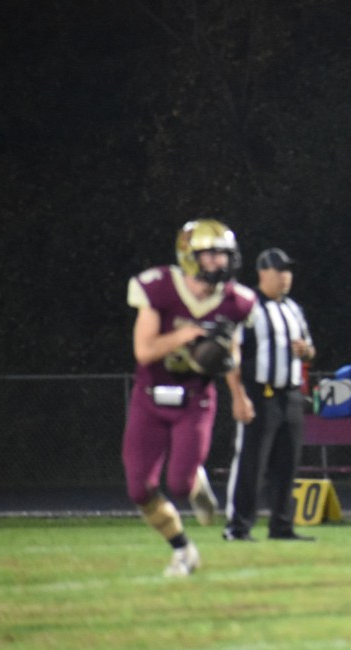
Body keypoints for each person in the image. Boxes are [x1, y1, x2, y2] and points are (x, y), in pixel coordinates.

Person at [122, 219, 256, 577]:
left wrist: (238, 395)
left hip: (195, 398)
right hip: (150, 396)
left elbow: (232, 354)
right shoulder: (159, 287)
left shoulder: (238, 301)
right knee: (139, 489)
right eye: (210, 254)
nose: (219, 261)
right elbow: (144, 351)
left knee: (180, 485)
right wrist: (188, 336)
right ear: (189, 256)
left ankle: (196, 481)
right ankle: (183, 550)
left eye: (224, 254)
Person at [223, 248, 316, 542]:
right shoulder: (248, 307)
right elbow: (231, 354)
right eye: (279, 270)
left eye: (288, 271)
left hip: (290, 395)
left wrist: (306, 351)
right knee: (252, 463)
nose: (285, 277)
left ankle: (282, 526)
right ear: (263, 273)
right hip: (259, 394)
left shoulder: (293, 308)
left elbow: (311, 350)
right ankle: (238, 527)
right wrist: (238, 395)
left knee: (287, 465)